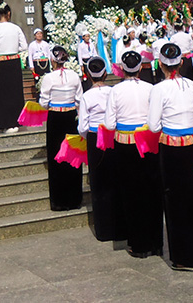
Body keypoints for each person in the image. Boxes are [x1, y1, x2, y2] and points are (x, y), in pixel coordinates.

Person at [147, 42, 193, 272]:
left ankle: (182, 257)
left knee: (175, 201)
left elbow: (153, 126)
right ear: (181, 62)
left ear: (160, 64)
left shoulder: (159, 89)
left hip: (171, 149)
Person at [105, 49, 161, 258]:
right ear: (139, 68)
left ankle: (138, 244)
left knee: (131, 194)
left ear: (121, 69)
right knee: (151, 191)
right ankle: (156, 242)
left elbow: (110, 123)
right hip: (148, 142)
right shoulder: (151, 88)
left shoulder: (116, 91)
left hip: (126, 143)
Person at [79, 50, 125, 242]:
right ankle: (120, 227)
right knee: (116, 179)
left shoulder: (86, 96)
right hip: (112, 136)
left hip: (94, 137)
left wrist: (89, 135)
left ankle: (104, 230)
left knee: (98, 183)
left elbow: (82, 126)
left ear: (88, 75)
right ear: (105, 73)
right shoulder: (114, 91)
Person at [39, 46, 84, 211]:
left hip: (55, 117)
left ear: (52, 60)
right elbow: (79, 98)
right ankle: (75, 199)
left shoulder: (48, 78)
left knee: (56, 156)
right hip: (71, 116)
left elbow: (43, 102)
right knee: (73, 156)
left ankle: (59, 201)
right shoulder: (74, 76)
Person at [0, 4, 28, 133]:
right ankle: (15, 121)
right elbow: (24, 46)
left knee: (1, 93)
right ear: (8, 13)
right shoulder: (16, 28)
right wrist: (12, 50)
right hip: (13, 61)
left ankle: (2, 123)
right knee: (14, 92)